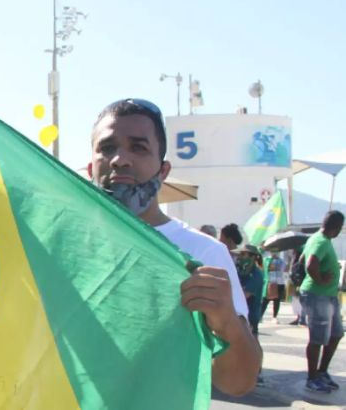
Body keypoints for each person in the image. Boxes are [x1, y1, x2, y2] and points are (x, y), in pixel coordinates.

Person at [88, 98, 261, 396]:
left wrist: (227, 322)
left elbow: (238, 383)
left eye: (139, 147)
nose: (120, 159)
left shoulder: (203, 254)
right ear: (91, 166)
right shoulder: (64, 241)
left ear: (163, 170)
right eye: (107, 148)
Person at [300, 210, 345, 393]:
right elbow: (310, 264)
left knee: (336, 334)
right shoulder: (320, 241)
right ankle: (312, 378)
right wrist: (320, 279)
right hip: (318, 295)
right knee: (317, 338)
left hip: (329, 296)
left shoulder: (317, 239)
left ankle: (322, 372)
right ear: (336, 227)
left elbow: (303, 259)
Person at [262, 250, 287, 322]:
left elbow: (284, 269)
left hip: (279, 282)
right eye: (273, 251)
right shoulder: (266, 260)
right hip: (269, 282)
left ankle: (274, 316)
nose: (275, 252)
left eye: (276, 251)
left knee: (277, 300)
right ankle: (260, 315)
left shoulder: (281, 261)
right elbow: (264, 269)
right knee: (265, 300)